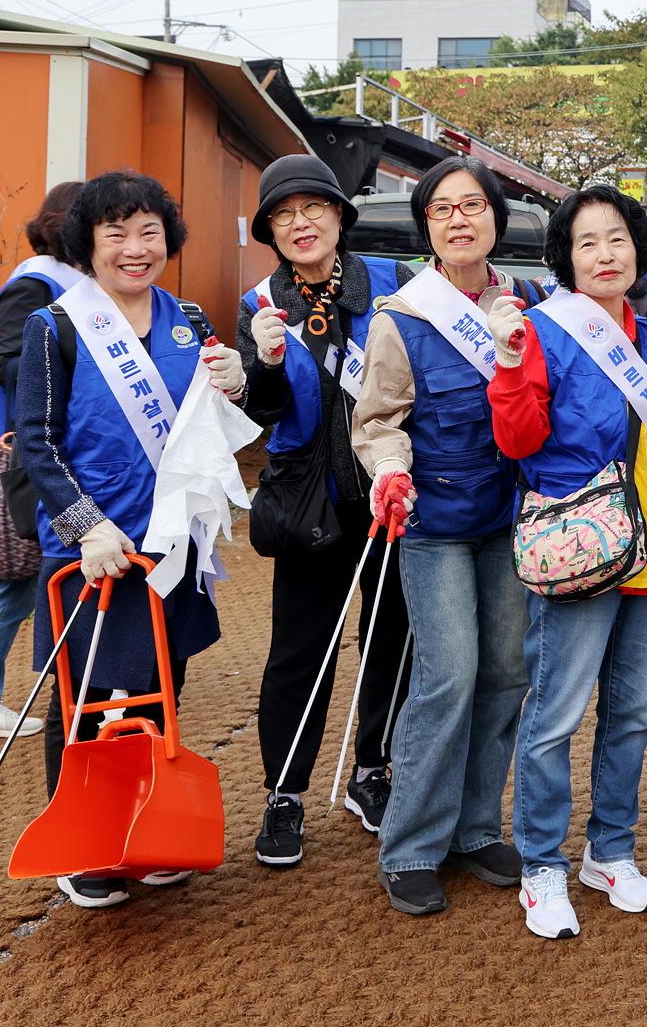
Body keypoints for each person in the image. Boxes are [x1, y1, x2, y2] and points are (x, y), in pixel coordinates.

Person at [16, 170, 247, 909]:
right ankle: (84, 846)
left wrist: (240, 381)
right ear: (87, 242)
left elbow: (222, 422)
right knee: (84, 702)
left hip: (171, 549)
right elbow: (38, 444)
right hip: (94, 553)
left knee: (162, 691)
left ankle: (148, 831)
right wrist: (87, 526)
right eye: (115, 232)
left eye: (148, 231)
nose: (134, 247)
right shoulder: (55, 325)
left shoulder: (189, 320)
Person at [487, 185, 647, 939]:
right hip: (581, 546)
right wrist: (510, 366)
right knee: (554, 715)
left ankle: (610, 851)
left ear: (639, 250)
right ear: (565, 259)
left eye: (617, 239)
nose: (605, 254)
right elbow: (516, 442)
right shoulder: (544, 330)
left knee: (632, 714)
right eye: (587, 242)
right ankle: (542, 864)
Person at [350, 156, 544, 915]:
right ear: (427, 226)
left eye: (473, 206)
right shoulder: (402, 316)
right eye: (442, 210)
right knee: (449, 676)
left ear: (495, 218)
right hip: (432, 524)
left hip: (509, 522)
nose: (459, 219)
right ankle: (411, 844)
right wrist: (389, 472)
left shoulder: (528, 302)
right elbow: (377, 421)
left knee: (505, 674)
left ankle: (472, 828)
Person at [235, 154, 411, 868]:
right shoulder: (261, 304)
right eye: (283, 215)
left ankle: (374, 771)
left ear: (340, 216)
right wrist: (267, 365)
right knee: (297, 655)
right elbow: (261, 411)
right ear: (271, 233)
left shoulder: (394, 285)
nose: (300, 224)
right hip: (311, 505)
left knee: (392, 640)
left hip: (390, 496)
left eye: (313, 209)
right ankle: (285, 794)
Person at [0, 181, 83, 742]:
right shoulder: (36, 283)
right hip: (22, 453)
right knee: (18, 576)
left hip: (35, 448)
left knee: (24, 577)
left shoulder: (64, 281)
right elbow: (9, 362)